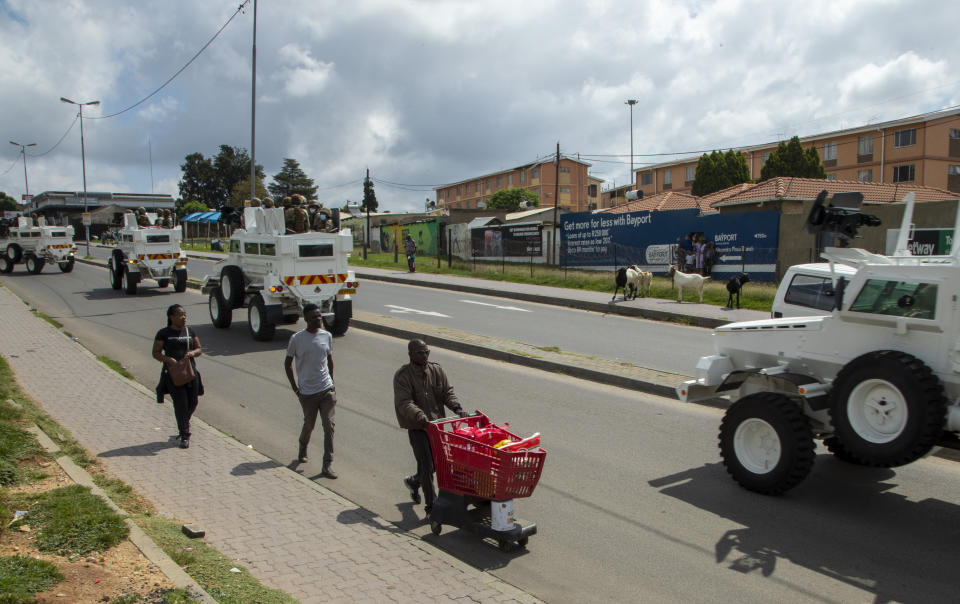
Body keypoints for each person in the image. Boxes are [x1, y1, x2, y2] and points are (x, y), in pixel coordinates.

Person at [393, 339, 467, 515]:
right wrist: (420, 416)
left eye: (427, 351)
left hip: (437, 427)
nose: (424, 355)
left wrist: (457, 408)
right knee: (426, 466)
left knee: (436, 465)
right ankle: (431, 506)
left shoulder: (436, 370)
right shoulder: (403, 376)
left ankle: (414, 481)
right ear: (411, 354)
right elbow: (404, 402)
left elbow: (447, 392)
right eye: (420, 352)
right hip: (419, 427)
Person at [284, 303, 338, 478]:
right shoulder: (297, 339)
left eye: (320, 316)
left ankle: (327, 464)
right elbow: (287, 364)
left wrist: (332, 381)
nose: (318, 319)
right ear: (306, 319)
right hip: (307, 393)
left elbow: (329, 359)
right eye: (314, 317)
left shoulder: (327, 336)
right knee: (309, 424)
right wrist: (295, 387)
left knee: (329, 426)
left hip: (326, 390)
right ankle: (303, 446)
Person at [152, 304, 203, 449]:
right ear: (171, 317)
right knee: (181, 404)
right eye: (180, 315)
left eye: (185, 314)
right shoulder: (163, 333)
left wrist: (193, 353)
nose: (184, 317)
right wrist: (168, 359)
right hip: (174, 375)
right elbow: (155, 353)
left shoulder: (190, 331)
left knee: (193, 402)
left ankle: (183, 424)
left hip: (190, 372)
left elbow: (199, 349)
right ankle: (185, 435)